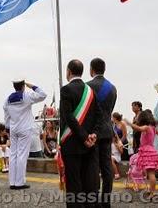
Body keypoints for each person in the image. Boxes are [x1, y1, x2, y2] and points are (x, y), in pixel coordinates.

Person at [59, 59, 102, 208]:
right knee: (89, 182)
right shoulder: (90, 91)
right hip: (90, 144)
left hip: (72, 145)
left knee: (73, 184)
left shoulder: (66, 90)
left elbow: (68, 117)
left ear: (69, 72)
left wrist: (84, 137)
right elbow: (99, 115)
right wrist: (93, 134)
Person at [4, 79, 47, 190]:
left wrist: (8, 127)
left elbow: (6, 114)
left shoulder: (8, 99)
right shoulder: (27, 96)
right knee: (22, 155)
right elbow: (43, 95)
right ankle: (19, 183)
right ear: (23, 86)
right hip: (25, 129)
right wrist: (30, 85)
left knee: (13, 155)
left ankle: (12, 182)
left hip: (13, 129)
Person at [86, 57, 117, 208]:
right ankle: (106, 200)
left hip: (93, 132)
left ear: (91, 69)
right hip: (107, 130)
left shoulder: (87, 87)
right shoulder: (112, 88)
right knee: (106, 167)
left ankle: (94, 199)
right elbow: (109, 111)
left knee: (93, 167)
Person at [127, 110, 158, 200]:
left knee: (151, 173)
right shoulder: (152, 127)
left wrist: (129, 123)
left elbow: (139, 128)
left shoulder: (147, 127)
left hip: (147, 151)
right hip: (151, 151)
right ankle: (151, 190)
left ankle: (152, 192)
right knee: (149, 173)